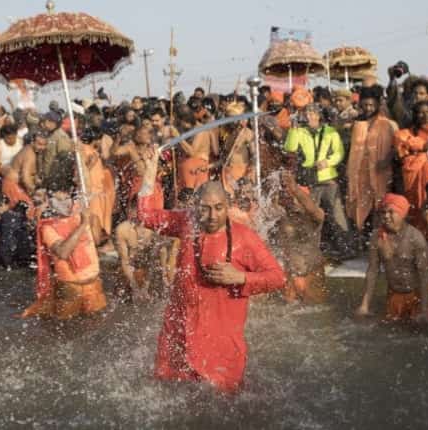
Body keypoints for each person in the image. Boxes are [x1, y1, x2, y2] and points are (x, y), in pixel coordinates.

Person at [137, 144, 286, 393]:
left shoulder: (243, 237)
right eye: (204, 208)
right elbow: (145, 216)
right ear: (195, 206)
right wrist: (150, 172)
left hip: (221, 336)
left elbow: (278, 277)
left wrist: (240, 277)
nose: (212, 215)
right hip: (180, 329)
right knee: (172, 394)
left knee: (224, 399)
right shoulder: (187, 222)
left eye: (218, 208)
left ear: (228, 206)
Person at [22, 163, 107, 319]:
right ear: (49, 198)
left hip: (94, 283)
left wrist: (93, 219)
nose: (63, 199)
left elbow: (96, 241)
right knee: (67, 331)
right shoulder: (47, 226)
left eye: (66, 194)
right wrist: (83, 225)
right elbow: (62, 252)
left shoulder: (80, 212)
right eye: (58, 195)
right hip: (70, 288)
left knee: (97, 325)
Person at [284, 102, 351, 258]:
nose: (309, 116)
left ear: (318, 116)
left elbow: (339, 153)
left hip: (328, 179)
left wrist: (326, 162)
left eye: (312, 113)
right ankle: (311, 249)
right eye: (306, 114)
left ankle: (346, 249)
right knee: (311, 216)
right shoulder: (299, 131)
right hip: (309, 180)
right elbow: (290, 148)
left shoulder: (330, 132)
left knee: (336, 215)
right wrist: (293, 129)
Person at [355, 193, 428, 323]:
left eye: (391, 212)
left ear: (402, 214)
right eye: (384, 212)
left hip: (417, 296)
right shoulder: (377, 237)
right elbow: (372, 271)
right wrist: (364, 305)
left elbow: (424, 274)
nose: (386, 216)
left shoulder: (416, 238)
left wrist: (424, 309)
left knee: (421, 331)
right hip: (394, 295)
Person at [346, 86, 397, 233]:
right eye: (365, 105)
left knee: (380, 205)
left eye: (371, 105)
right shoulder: (357, 124)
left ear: (377, 105)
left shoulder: (388, 124)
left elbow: (397, 147)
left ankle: (379, 236)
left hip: (381, 172)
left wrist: (387, 160)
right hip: (360, 173)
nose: (368, 108)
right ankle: (362, 239)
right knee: (358, 205)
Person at [269, 172, 326, 303]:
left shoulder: (314, 219)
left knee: (316, 312)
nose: (293, 200)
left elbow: (312, 209)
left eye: (297, 198)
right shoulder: (281, 219)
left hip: (311, 274)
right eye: (290, 197)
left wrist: (295, 189)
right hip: (290, 275)